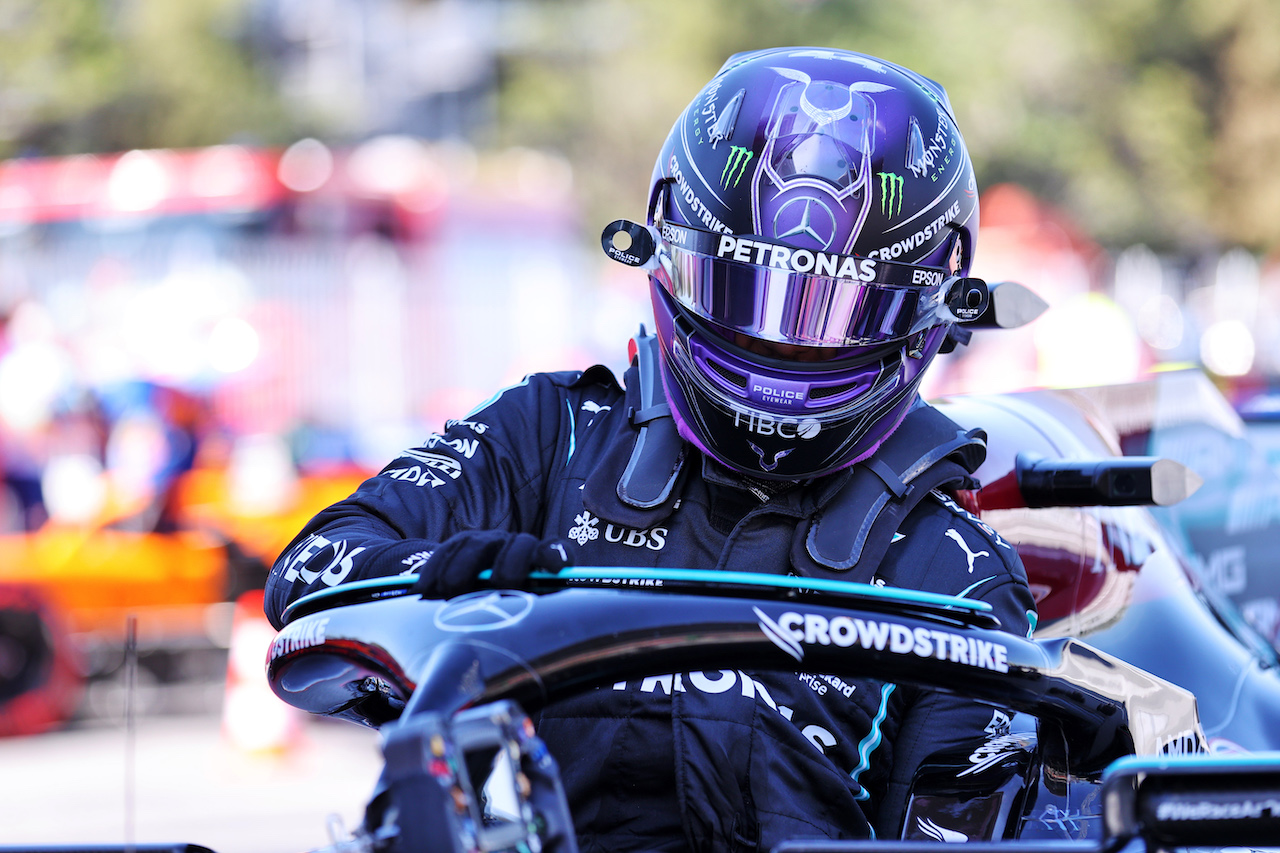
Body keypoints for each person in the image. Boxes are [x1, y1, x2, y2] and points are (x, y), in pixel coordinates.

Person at [265, 47, 1038, 850]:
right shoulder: (555, 432)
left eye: (825, 320)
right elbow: (310, 567)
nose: (775, 343)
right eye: (742, 297)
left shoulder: (959, 578)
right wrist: (432, 588)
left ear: (933, 313)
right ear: (664, 255)